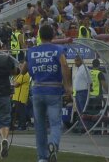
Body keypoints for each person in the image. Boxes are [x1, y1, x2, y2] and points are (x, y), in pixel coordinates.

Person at [23, 23, 72, 162]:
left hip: (37, 89)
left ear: (39, 36)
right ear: (53, 36)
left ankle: (42, 157)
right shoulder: (58, 49)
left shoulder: (31, 51)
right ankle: (53, 143)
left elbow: (22, 70)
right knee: (55, 122)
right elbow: (64, 65)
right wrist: (68, 86)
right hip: (54, 89)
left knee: (39, 126)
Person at [70, 57, 90, 133]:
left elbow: (89, 80)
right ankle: (81, 127)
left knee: (83, 110)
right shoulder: (79, 69)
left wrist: (88, 89)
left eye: (76, 61)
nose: (75, 63)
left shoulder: (84, 69)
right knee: (79, 111)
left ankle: (86, 127)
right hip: (78, 92)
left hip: (83, 92)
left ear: (81, 61)